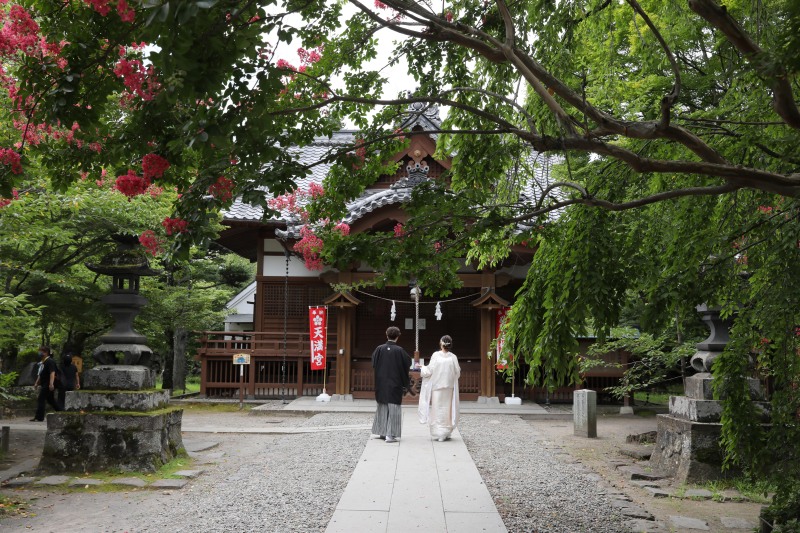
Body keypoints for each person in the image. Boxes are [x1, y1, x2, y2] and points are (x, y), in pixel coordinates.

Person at [371, 326, 412, 443]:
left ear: (386, 334)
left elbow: (373, 363)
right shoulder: (400, 351)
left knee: (382, 406)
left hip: (381, 382)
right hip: (395, 383)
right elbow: (407, 363)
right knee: (393, 407)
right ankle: (390, 435)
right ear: (398, 336)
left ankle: (382, 432)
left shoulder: (379, 349)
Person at [418, 335, 461, 442]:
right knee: (447, 409)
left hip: (437, 386)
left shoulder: (436, 355)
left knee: (437, 409)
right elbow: (457, 372)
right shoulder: (453, 357)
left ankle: (439, 432)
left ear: (441, 344)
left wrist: (422, 367)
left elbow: (429, 371)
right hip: (449, 387)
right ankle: (446, 431)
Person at [31, 346, 61, 421]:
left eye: (41, 351)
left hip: (48, 383)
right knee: (50, 399)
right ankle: (61, 412)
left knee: (41, 398)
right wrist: (37, 383)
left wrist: (51, 384)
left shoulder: (50, 361)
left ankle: (39, 417)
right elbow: (41, 374)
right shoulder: (44, 362)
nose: (39, 353)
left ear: (46, 352)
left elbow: (52, 372)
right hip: (45, 383)